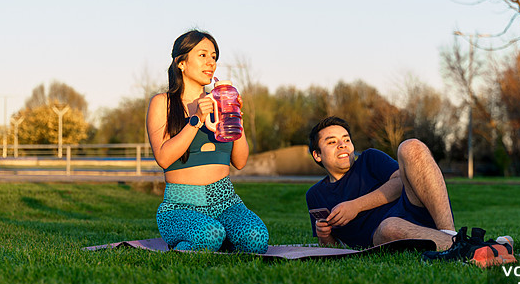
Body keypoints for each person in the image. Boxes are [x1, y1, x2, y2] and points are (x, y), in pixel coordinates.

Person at [146, 29, 269, 253]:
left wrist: (234, 117)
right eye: (203, 55)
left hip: (225, 201)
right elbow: (164, 158)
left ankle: (219, 239)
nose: (210, 62)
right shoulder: (162, 103)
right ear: (181, 63)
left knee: (256, 238)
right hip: (180, 205)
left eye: (214, 57)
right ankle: (200, 241)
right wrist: (196, 121)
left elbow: (240, 162)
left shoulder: (220, 103)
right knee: (209, 234)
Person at [306, 116, 455, 251]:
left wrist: (356, 206)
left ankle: (450, 233)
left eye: (346, 140)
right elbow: (335, 249)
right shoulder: (315, 195)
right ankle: (457, 245)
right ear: (317, 155)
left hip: (412, 209)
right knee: (388, 228)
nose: (342, 145)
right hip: (385, 234)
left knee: (411, 146)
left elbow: (400, 182)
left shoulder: (370, 159)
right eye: (332, 142)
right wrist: (323, 234)